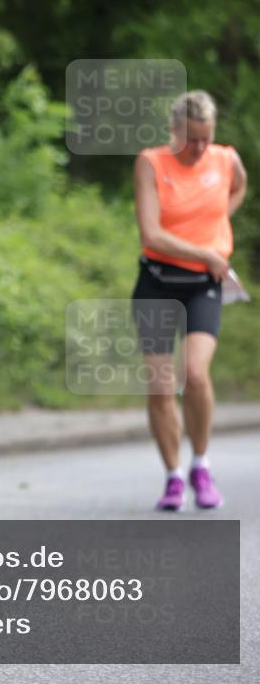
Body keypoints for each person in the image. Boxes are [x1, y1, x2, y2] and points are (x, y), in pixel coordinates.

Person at [132, 90, 247, 511]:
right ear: (173, 131)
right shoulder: (151, 163)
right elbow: (152, 234)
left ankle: (201, 463)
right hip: (158, 281)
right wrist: (205, 251)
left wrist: (217, 222)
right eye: (191, 139)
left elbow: (238, 187)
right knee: (161, 387)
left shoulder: (225, 159)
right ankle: (173, 476)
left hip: (204, 284)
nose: (200, 148)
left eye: (206, 138)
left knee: (195, 374)